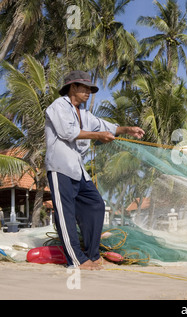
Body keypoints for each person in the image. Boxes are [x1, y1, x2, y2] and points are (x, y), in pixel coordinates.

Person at [45, 70, 145, 270]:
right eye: (85, 88)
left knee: (96, 204)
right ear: (72, 87)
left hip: (78, 170)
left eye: (91, 89)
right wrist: (98, 136)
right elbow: (68, 132)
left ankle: (92, 254)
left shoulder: (85, 114)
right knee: (65, 214)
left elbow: (106, 126)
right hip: (60, 167)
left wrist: (128, 130)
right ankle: (76, 260)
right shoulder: (58, 106)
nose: (89, 92)